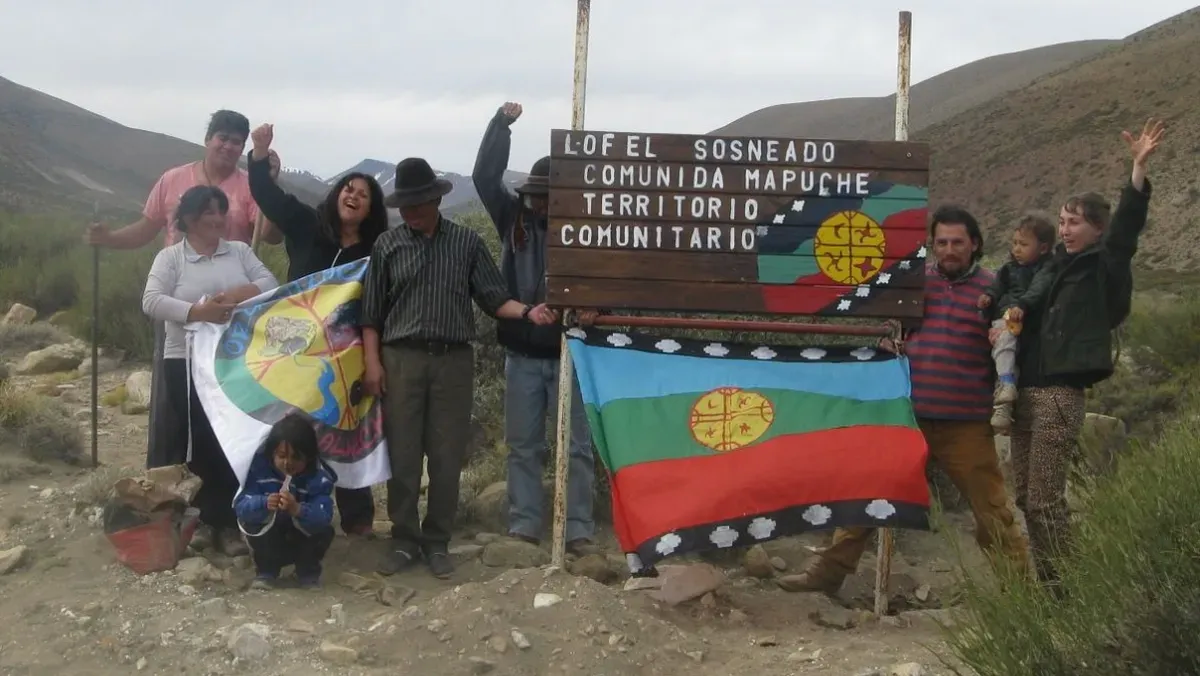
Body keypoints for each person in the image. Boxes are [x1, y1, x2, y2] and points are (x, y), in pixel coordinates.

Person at [778, 205, 1030, 594]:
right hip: (906, 417)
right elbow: (887, 325)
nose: (948, 249)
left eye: (957, 242)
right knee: (864, 497)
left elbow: (1010, 345)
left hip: (965, 423)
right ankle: (825, 578)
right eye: (941, 242)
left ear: (975, 244)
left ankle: (1023, 594)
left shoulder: (992, 289)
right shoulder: (913, 285)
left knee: (993, 511)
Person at [360, 157, 559, 579]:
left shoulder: (467, 243)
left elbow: (493, 297)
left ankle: (437, 541)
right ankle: (403, 538)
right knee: (404, 454)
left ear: (434, 200)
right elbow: (371, 313)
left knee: (448, 456)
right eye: (405, 207)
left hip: (453, 361)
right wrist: (372, 363)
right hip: (401, 360)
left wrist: (528, 312)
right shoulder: (387, 246)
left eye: (417, 205)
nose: (410, 214)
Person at [1009, 118, 1163, 590]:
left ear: (1097, 228)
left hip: (1060, 393)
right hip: (1025, 391)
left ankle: (1070, 588)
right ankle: (1052, 581)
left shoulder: (1104, 263)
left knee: (1045, 500)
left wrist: (1136, 171)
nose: (1065, 228)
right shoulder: (1051, 267)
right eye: (1061, 221)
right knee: (1023, 497)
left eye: (1074, 221)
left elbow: (1128, 229)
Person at [87, 110, 280, 471]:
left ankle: (224, 486)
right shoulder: (172, 180)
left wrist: (268, 186)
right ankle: (165, 476)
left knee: (227, 400)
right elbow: (146, 230)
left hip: (233, 315)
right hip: (181, 302)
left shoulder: (249, 186)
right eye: (222, 137)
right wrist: (109, 239)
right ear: (208, 139)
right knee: (172, 399)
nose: (228, 145)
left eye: (236, 141)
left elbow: (269, 234)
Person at [246, 122, 389, 537]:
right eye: (349, 188)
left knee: (346, 431)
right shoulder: (306, 224)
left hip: (346, 360)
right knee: (290, 433)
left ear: (370, 209)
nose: (353, 195)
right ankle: (280, 513)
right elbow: (267, 196)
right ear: (336, 194)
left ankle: (357, 516)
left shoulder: (377, 251)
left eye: (363, 195)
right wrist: (259, 153)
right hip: (294, 354)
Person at [471, 101, 597, 554]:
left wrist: (594, 309)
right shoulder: (514, 219)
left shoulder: (586, 228)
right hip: (523, 354)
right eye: (536, 192)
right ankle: (524, 524)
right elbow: (485, 178)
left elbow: (606, 281)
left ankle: (578, 528)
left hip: (574, 355)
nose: (540, 200)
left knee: (577, 449)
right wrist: (500, 127)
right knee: (523, 445)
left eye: (549, 193)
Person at [142, 185, 279, 556]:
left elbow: (271, 284)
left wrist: (237, 294)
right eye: (210, 213)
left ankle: (229, 522)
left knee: (229, 438)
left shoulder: (240, 251)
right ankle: (200, 520)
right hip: (184, 361)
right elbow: (151, 301)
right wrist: (197, 313)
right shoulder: (172, 259)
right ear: (189, 219)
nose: (219, 219)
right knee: (193, 438)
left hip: (233, 361)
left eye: (222, 211)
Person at [234, 412, 337, 590]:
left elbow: (325, 515)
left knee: (324, 531)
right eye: (281, 456)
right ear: (271, 453)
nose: (288, 463)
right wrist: (264, 503)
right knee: (254, 525)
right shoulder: (258, 473)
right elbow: (241, 507)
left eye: (296, 457)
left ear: (309, 457)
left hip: (299, 535)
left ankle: (307, 572)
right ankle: (266, 571)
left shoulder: (318, 479)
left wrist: (298, 510)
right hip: (272, 536)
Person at [976, 213, 1057, 433]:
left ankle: (1007, 385)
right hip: (1005, 316)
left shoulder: (1046, 269)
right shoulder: (1008, 269)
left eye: (1023, 244)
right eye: (1015, 243)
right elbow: (996, 287)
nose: (1017, 249)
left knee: (1005, 344)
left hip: (1021, 318)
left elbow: (1038, 289)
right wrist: (988, 297)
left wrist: (1022, 305)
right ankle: (1004, 402)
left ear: (1042, 248)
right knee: (1004, 350)